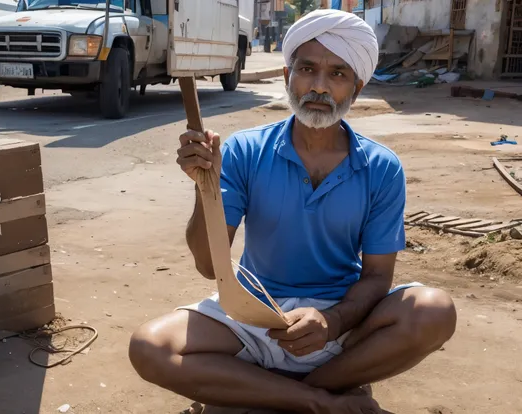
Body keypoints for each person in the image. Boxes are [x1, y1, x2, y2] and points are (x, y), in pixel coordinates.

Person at [128, 9, 457, 414]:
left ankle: (265, 393)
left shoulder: (382, 167)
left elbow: (376, 277)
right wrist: (204, 188)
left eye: (338, 74)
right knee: (149, 347)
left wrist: (332, 322)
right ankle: (316, 399)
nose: (319, 86)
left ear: (356, 89)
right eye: (307, 69)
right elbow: (208, 266)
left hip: (341, 326)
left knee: (434, 311)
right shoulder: (245, 151)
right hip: (252, 317)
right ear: (287, 77)